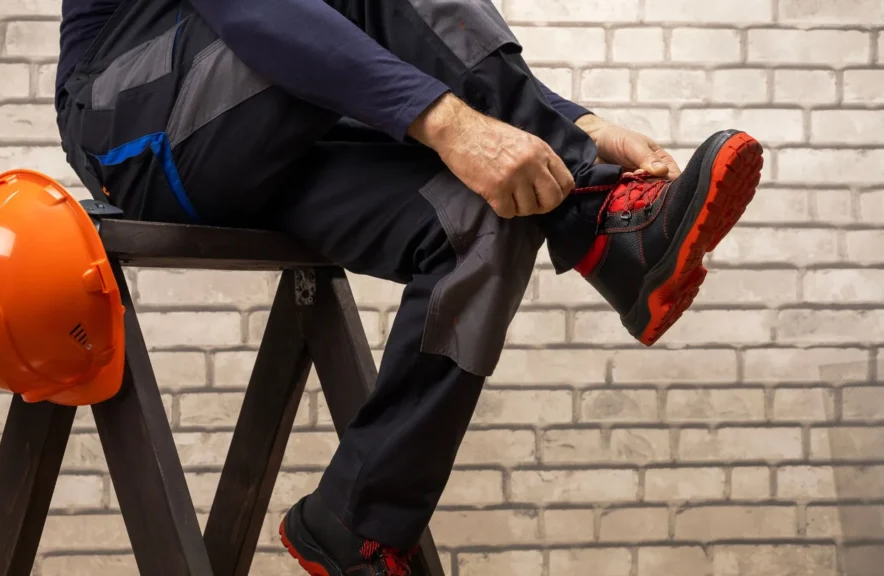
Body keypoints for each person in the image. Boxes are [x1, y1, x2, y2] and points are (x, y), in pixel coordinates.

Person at [55, 1, 763, 574]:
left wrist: (581, 124)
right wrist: (467, 129)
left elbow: (406, 31)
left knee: (483, 213)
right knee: (480, 155)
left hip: (262, 119)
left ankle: (356, 524)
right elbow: (258, 12)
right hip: (133, 126)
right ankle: (603, 229)